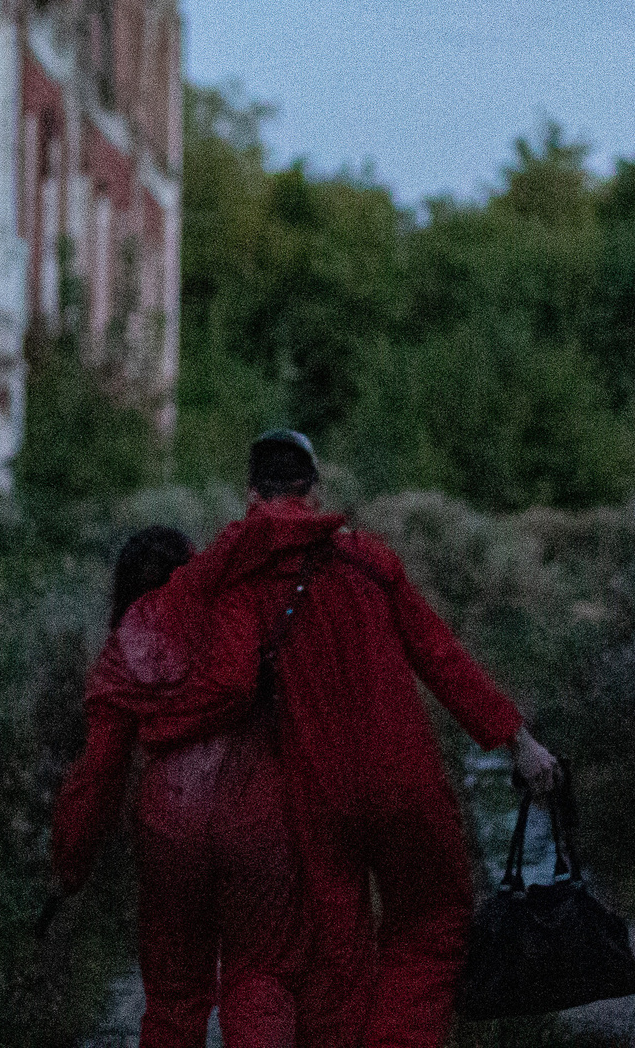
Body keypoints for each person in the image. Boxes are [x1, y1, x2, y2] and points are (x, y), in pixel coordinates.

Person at [146, 431, 559, 1048]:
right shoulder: (369, 562)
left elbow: (221, 688)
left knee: (337, 958)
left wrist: (155, 738)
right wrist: (516, 741)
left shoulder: (241, 587)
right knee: (431, 922)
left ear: (250, 493)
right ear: (314, 489)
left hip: (318, 800)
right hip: (406, 782)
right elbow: (441, 659)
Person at [51, 525, 310, 1048]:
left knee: (173, 999)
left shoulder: (125, 647)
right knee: (259, 980)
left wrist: (70, 867)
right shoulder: (234, 616)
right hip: (256, 821)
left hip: (170, 826)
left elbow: (99, 772)